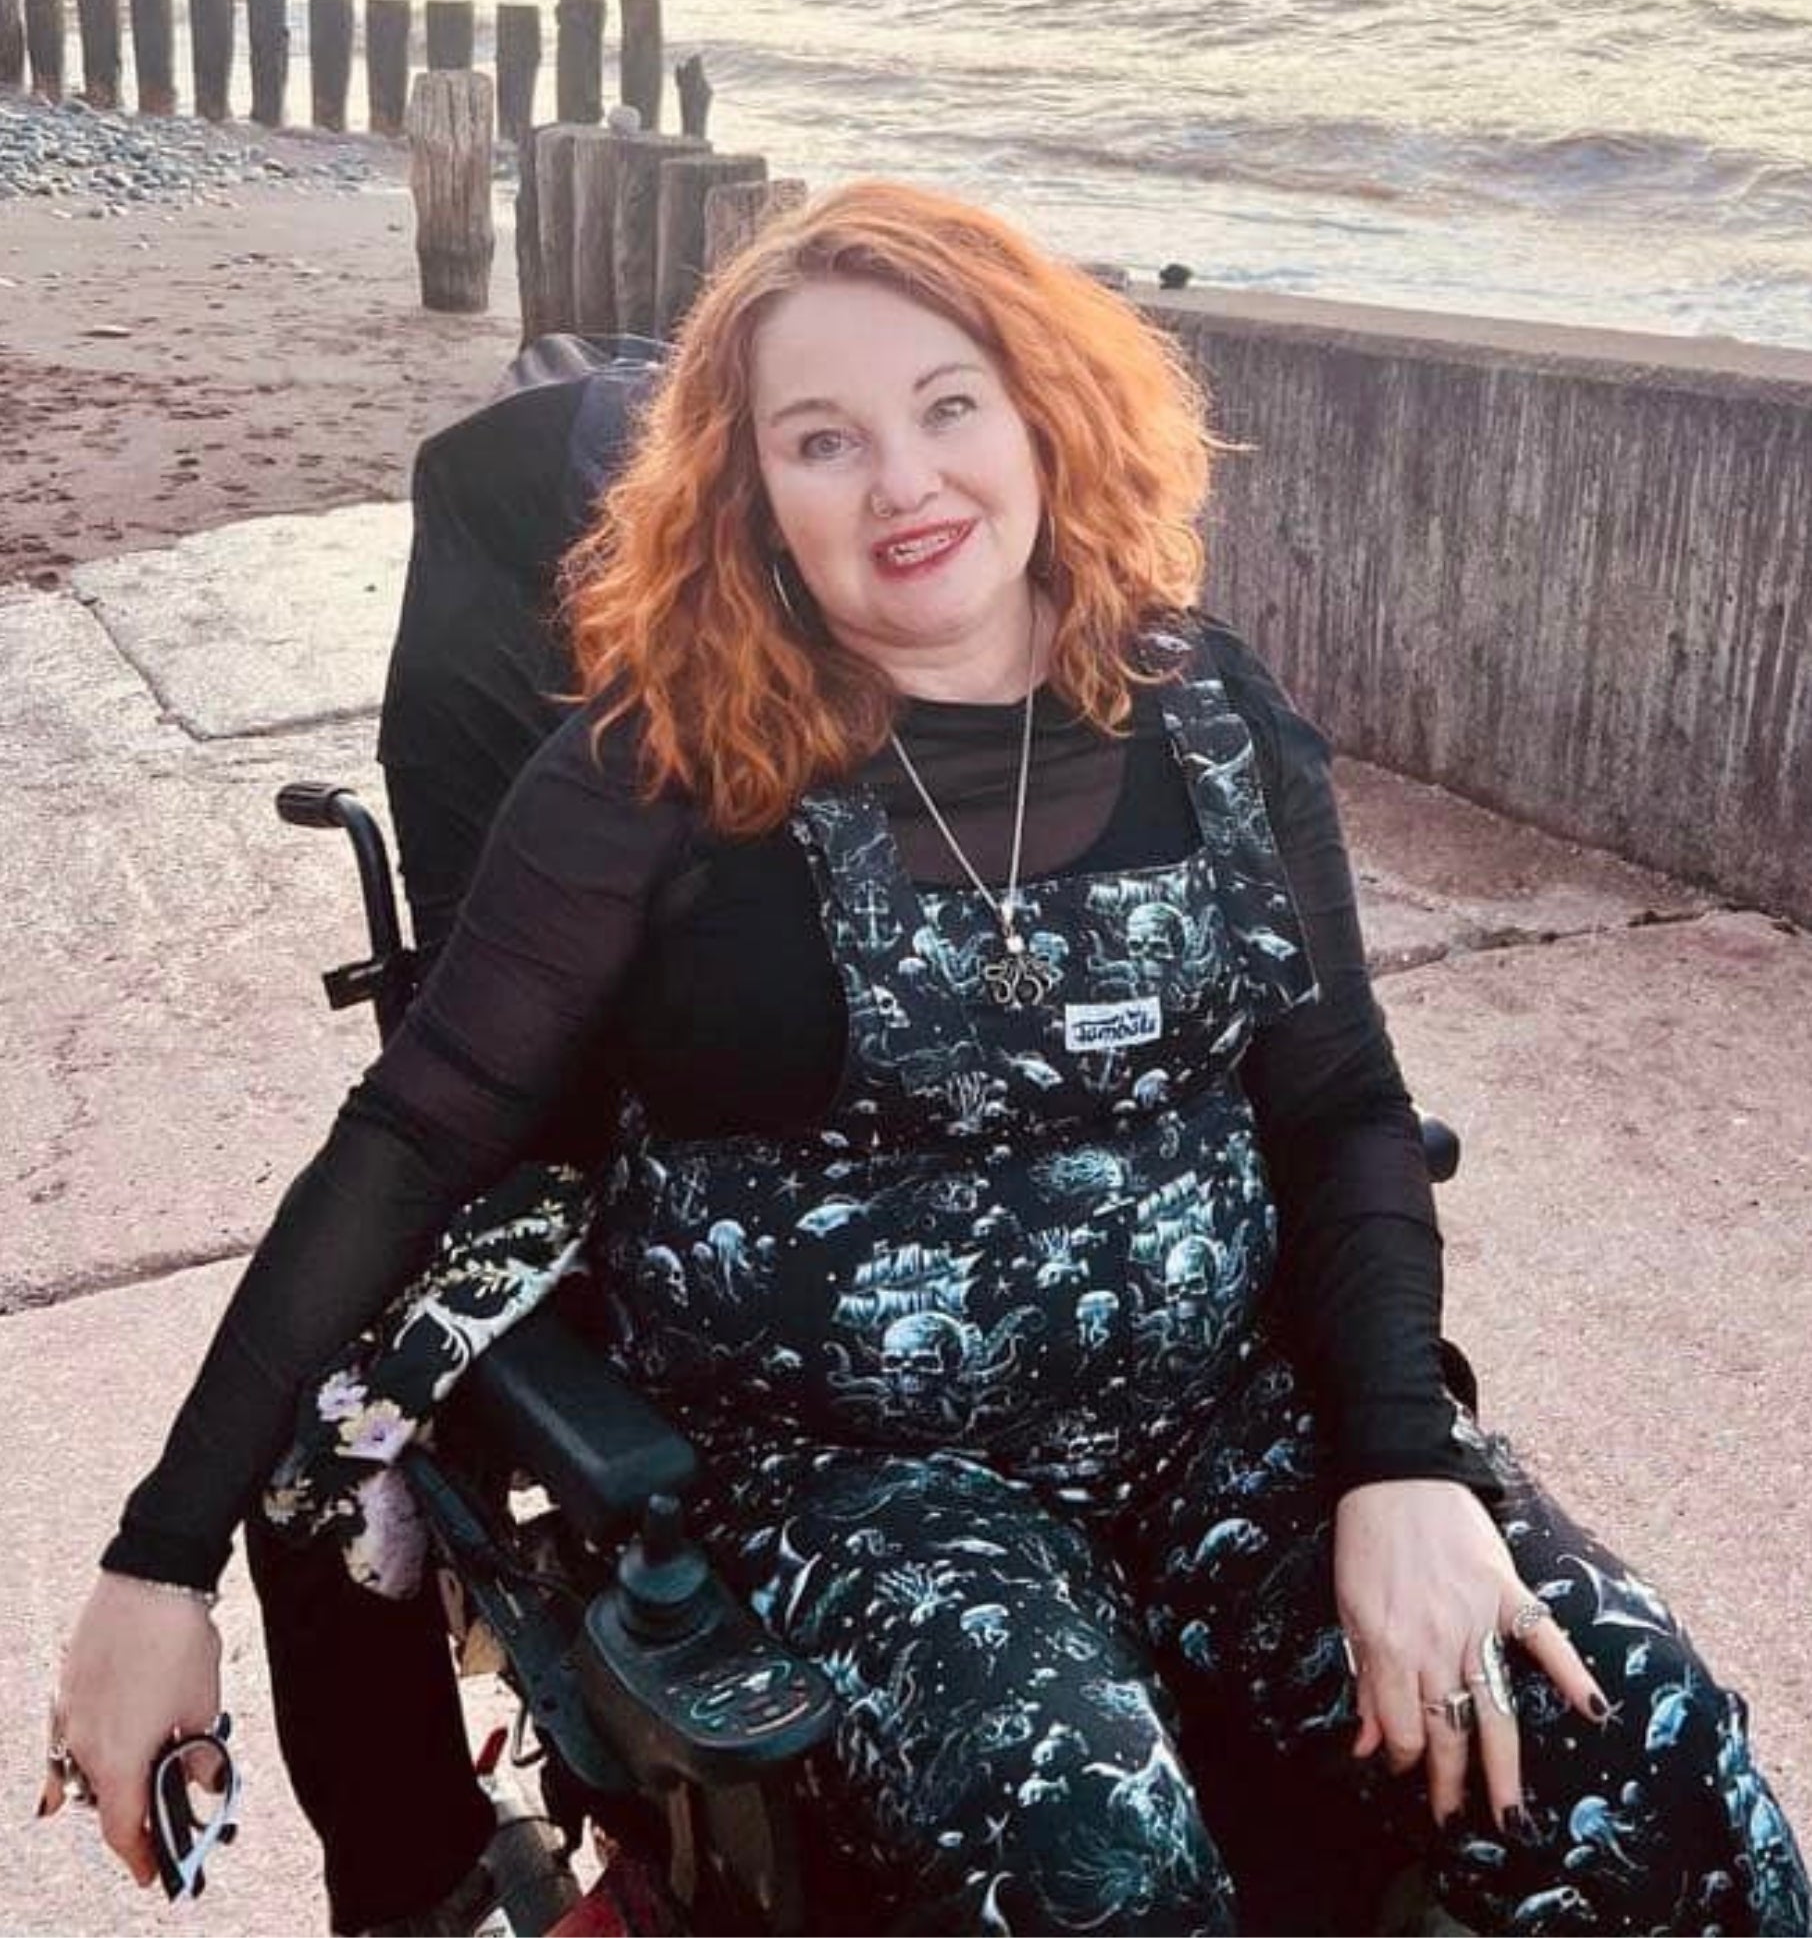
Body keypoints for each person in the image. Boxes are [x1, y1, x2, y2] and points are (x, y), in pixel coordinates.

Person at [51, 183, 1809, 1936]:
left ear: (1048, 410)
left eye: (949, 405)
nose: (905, 482)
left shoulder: (1209, 712)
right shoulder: (656, 769)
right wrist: (157, 1559)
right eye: (825, 439)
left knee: (1653, 1756)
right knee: (1100, 1865)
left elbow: (1341, 1106)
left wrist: (1404, 1463)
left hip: (1224, 1429)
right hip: (856, 1483)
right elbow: (414, 1135)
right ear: (749, 498)